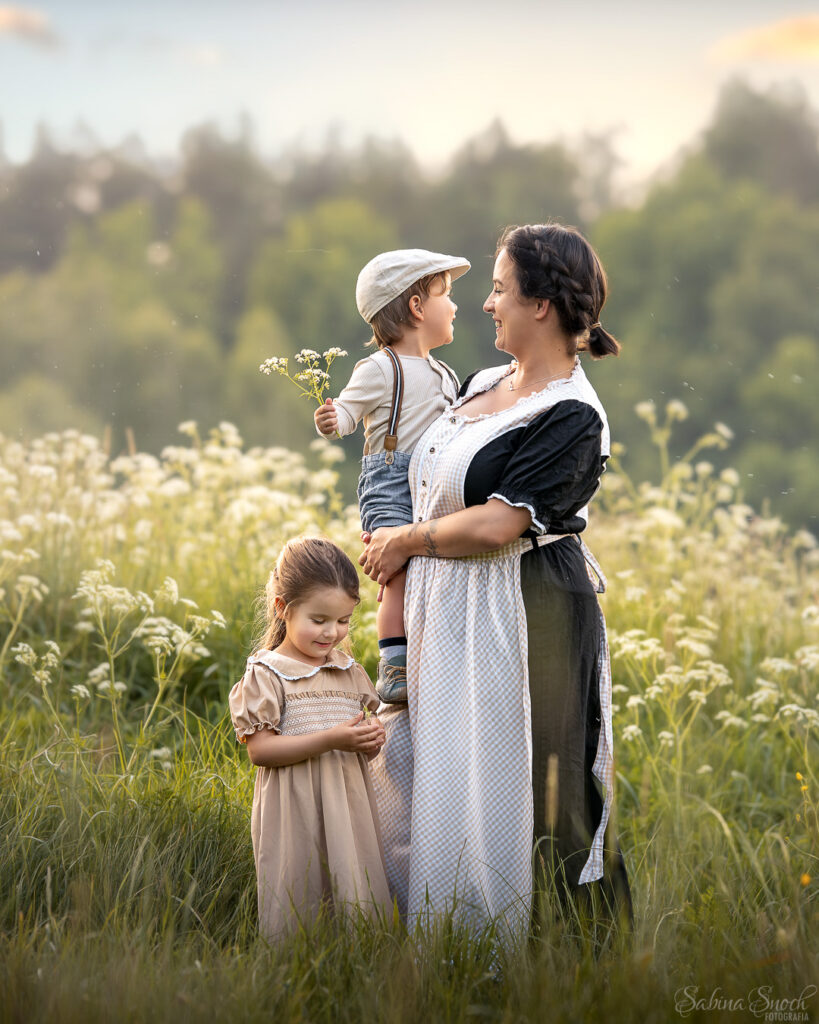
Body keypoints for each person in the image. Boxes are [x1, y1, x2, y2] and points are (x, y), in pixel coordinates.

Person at [359, 223, 633, 933]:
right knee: (438, 777)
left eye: (499, 288)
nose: (486, 304)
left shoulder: (570, 414)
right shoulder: (483, 384)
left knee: (534, 793)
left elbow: (496, 525)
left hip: (522, 616)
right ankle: (446, 942)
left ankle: (557, 962)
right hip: (446, 614)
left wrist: (407, 541)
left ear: (539, 305)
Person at [314, 249, 470, 703]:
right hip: (391, 479)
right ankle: (394, 665)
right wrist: (335, 418)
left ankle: (427, 651)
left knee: (432, 564)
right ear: (418, 307)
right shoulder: (380, 368)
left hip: (434, 482)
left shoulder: (445, 373)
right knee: (395, 573)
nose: (455, 306)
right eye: (446, 295)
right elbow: (348, 408)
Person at [228, 536, 391, 939]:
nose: (332, 633)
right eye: (319, 620)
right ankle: (298, 972)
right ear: (283, 608)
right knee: (301, 891)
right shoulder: (267, 674)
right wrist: (333, 739)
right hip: (294, 808)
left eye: (343, 621)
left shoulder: (347, 670)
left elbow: (355, 739)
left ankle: (360, 962)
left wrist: (369, 740)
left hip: (348, 804)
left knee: (354, 886)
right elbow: (261, 751)